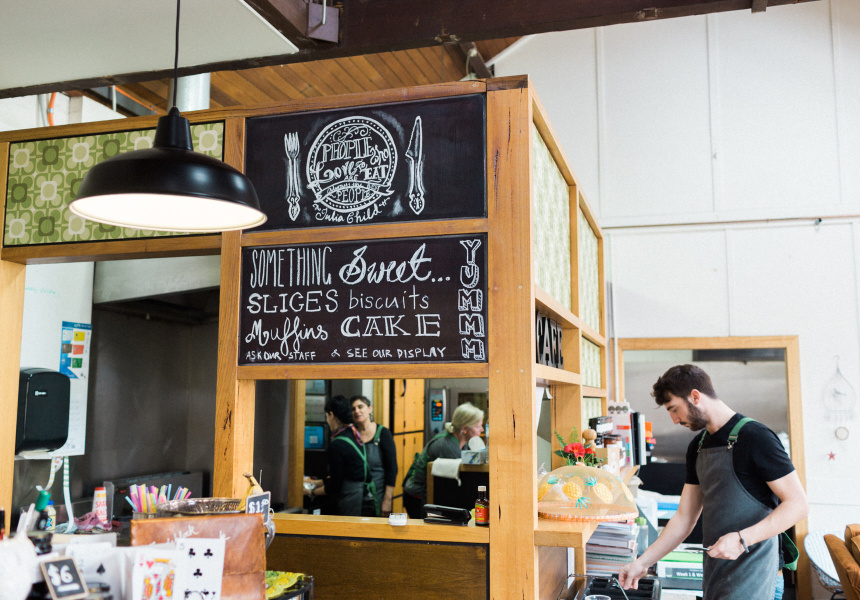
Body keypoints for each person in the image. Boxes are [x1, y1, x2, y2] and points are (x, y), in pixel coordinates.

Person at [618, 364, 808, 600]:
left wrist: (741, 539)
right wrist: (642, 562)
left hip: (756, 572)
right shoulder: (697, 447)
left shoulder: (756, 438)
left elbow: (798, 505)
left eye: (674, 409)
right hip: (716, 573)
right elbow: (684, 518)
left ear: (695, 396)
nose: (674, 420)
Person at [402, 402, 485, 519]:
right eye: (478, 426)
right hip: (417, 498)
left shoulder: (462, 442)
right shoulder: (446, 446)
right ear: (465, 429)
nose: (482, 429)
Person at [303, 395, 368, 516]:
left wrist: (310, 492)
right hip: (362, 497)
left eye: (327, 416)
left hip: (349, 499)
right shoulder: (354, 435)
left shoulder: (337, 444)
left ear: (331, 415)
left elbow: (335, 485)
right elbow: (344, 473)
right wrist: (316, 483)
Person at [350, 394, 397, 517]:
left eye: (360, 407)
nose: (357, 411)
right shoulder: (350, 435)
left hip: (378, 496)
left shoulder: (383, 433)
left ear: (369, 409)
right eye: (353, 409)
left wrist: (387, 500)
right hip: (355, 498)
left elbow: (392, 468)